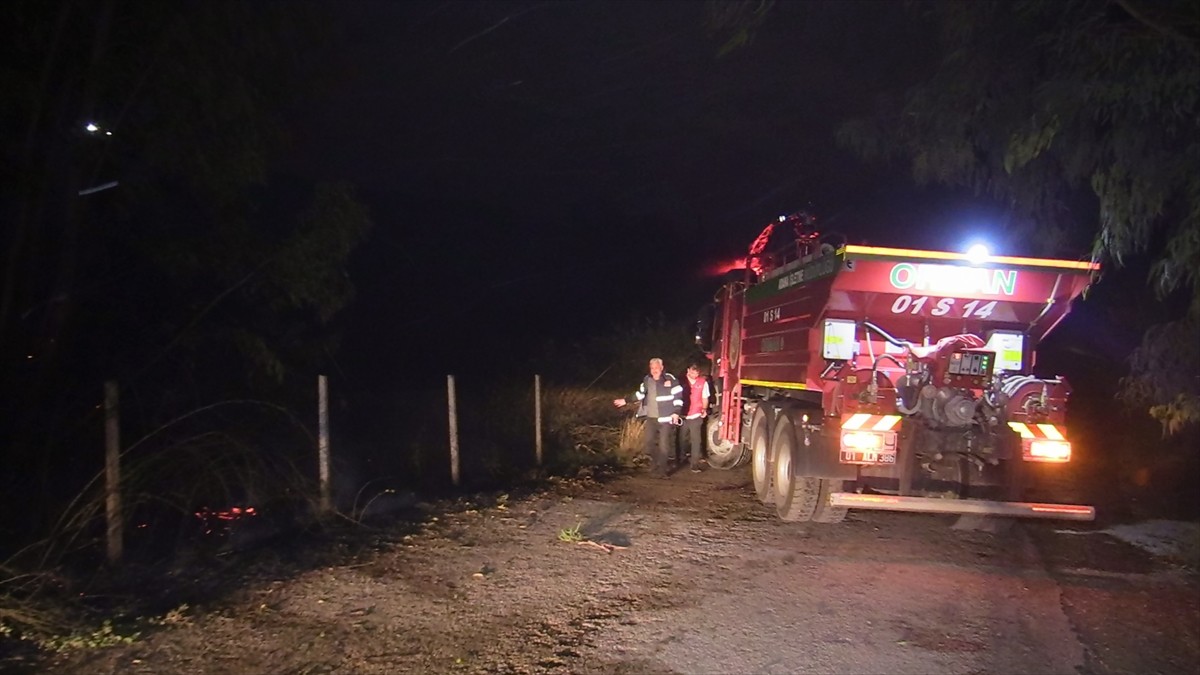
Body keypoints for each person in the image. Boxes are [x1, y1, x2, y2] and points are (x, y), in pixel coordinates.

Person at [613, 357, 683, 476]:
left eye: (656, 368)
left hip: (666, 418)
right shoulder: (647, 380)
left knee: (664, 445)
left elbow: (678, 397)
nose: (654, 370)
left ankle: (662, 471)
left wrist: (676, 412)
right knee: (648, 444)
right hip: (651, 417)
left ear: (661, 368)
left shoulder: (670, 379)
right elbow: (640, 394)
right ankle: (656, 464)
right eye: (652, 368)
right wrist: (625, 401)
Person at [680, 363, 711, 472]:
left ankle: (694, 464)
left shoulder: (703, 383)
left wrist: (704, 409)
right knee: (681, 439)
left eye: (696, 372)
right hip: (683, 415)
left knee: (696, 441)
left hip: (696, 414)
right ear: (688, 370)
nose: (694, 374)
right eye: (692, 371)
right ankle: (680, 459)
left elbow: (705, 397)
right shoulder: (680, 381)